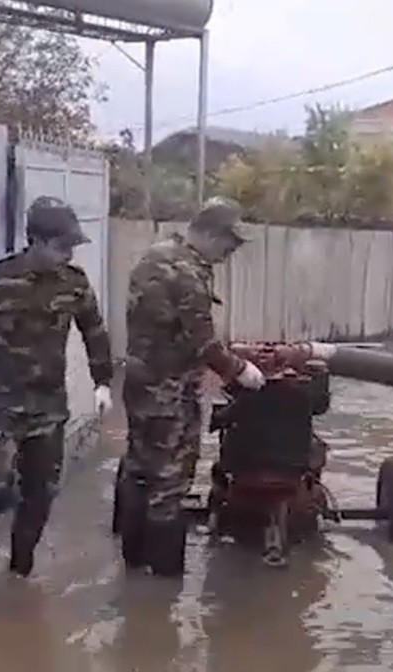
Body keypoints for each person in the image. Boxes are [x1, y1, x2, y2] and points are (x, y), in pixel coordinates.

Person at [0, 196, 114, 578]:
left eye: (71, 248)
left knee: (40, 494)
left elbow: (94, 333)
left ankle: (20, 571)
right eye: (62, 247)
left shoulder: (74, 284)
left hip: (49, 407)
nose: (67, 255)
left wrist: (102, 382)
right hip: (0, 405)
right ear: (37, 241)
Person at [122, 196, 265, 577]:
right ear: (211, 234)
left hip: (139, 383)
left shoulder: (157, 254)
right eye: (229, 245)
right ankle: (164, 588)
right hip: (168, 392)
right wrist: (241, 371)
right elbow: (202, 342)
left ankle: (132, 563)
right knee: (171, 484)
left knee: (139, 468)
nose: (229, 254)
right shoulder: (187, 273)